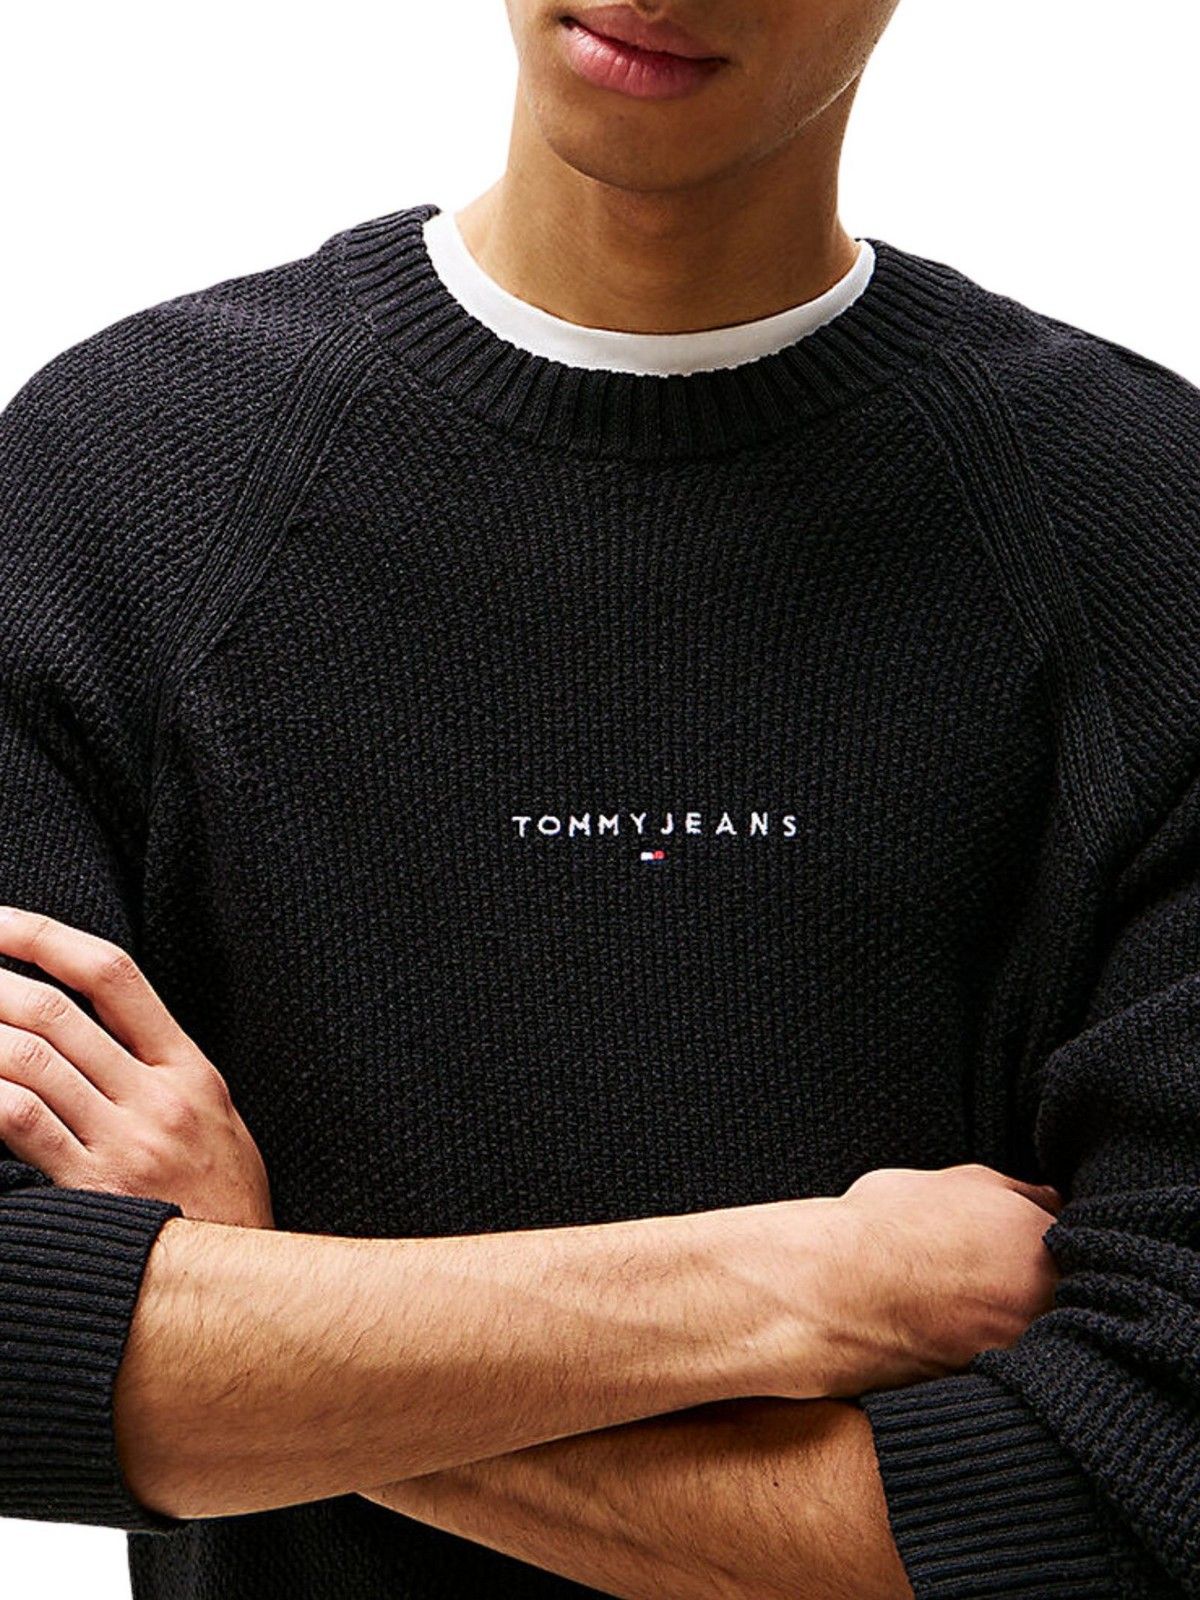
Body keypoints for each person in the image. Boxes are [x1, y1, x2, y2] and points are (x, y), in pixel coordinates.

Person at [1, 1, 1197, 1596]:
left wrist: (260, 1305)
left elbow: (1126, 1495)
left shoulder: (1149, 536)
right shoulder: (114, 481)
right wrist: (809, 1282)